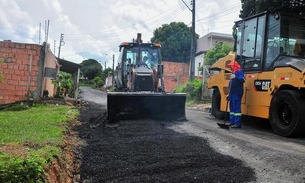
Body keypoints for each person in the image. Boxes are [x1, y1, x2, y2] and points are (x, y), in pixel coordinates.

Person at [227, 60, 245, 128]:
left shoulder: (239, 71)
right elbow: (230, 84)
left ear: (234, 66)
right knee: (231, 108)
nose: (230, 68)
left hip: (237, 92)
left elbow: (243, 80)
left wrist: (235, 77)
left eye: (231, 66)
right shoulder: (233, 73)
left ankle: (237, 123)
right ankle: (232, 122)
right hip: (232, 93)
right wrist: (229, 93)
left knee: (236, 108)